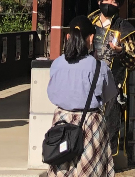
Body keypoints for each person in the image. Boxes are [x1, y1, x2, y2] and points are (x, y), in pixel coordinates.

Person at [46, 16, 119, 177]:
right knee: (90, 170)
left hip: (61, 121)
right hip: (90, 123)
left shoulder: (57, 63)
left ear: (68, 37)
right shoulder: (99, 66)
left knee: (62, 168)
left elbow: (51, 93)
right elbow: (109, 95)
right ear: (91, 38)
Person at [87, 0, 135, 161]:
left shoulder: (124, 29)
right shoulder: (87, 24)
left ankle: (106, 163)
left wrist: (121, 52)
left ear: (120, 4)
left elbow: (134, 62)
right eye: (106, 0)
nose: (109, 4)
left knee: (108, 127)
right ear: (99, 1)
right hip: (86, 84)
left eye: (114, 1)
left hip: (112, 85)